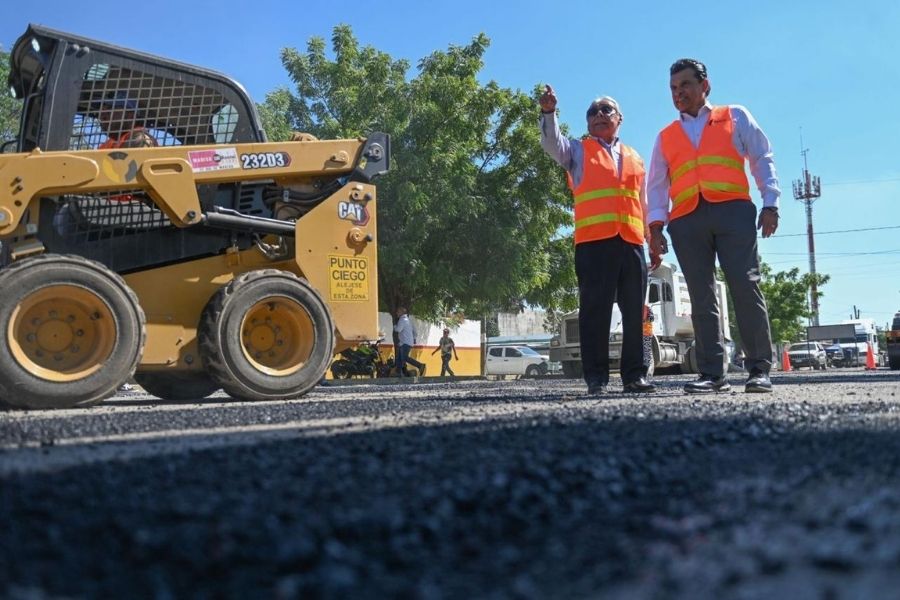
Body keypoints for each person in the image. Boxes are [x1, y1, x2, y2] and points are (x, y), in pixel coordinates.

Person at [646, 58, 780, 394]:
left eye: (686, 85)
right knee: (701, 298)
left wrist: (771, 202)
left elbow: (762, 157)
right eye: (674, 89)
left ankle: (759, 368)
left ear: (705, 85)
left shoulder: (734, 116)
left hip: (733, 211)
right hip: (687, 219)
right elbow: (657, 186)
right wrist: (656, 225)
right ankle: (712, 373)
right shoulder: (666, 136)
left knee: (745, 286)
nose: (680, 93)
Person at [539, 85, 655, 395]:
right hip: (593, 243)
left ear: (620, 118)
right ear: (588, 122)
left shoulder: (635, 157)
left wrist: (652, 235)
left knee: (635, 312)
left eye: (606, 110)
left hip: (631, 242)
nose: (599, 115)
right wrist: (549, 114)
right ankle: (596, 378)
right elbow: (552, 144)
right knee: (595, 312)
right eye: (593, 112)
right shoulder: (577, 150)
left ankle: (635, 376)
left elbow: (643, 201)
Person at [93, 91, 158, 149]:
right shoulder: (109, 145)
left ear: (130, 116)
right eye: (101, 111)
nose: (102, 115)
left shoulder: (140, 139)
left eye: (110, 109)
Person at [394, 307, 426, 377]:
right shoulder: (408, 320)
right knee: (399, 359)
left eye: (398, 312)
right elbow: (415, 331)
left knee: (404, 358)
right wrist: (414, 339)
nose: (396, 313)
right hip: (406, 342)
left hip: (405, 342)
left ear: (401, 312)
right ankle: (399, 373)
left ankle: (420, 365)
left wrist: (395, 326)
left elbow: (398, 330)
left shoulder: (402, 320)